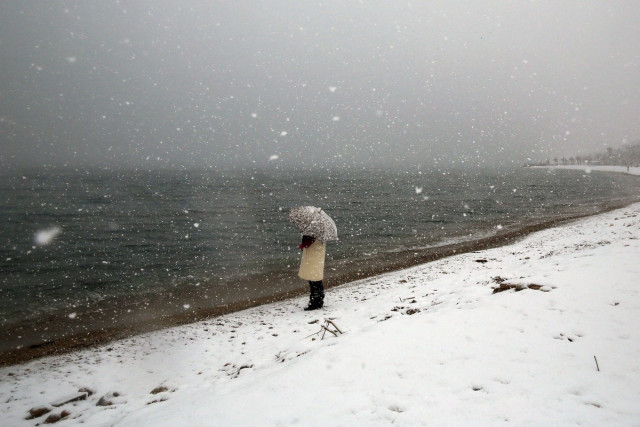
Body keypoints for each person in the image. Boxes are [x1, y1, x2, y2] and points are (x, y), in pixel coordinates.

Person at [298, 235, 326, 310]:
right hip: (317, 258)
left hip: (312, 259)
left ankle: (314, 302)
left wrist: (302, 245)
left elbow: (307, 244)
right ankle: (319, 299)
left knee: (313, 281)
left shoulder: (311, 234)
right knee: (317, 279)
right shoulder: (321, 236)